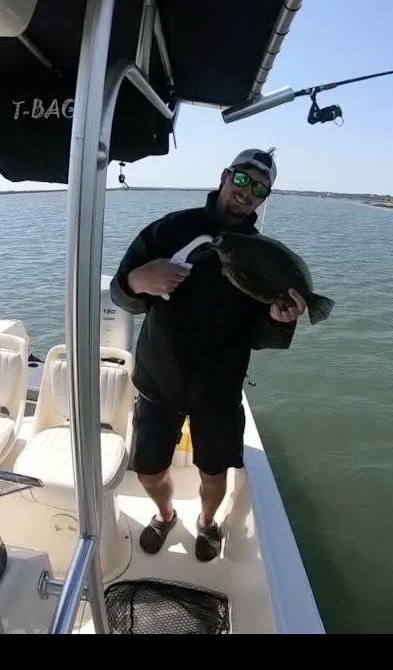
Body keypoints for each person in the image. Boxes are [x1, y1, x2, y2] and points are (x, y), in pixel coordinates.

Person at [110, 148, 308, 562]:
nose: (246, 192)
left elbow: (261, 336)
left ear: (264, 197)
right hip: (158, 380)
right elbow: (120, 294)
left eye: (258, 188)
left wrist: (279, 319)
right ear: (224, 176)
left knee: (214, 474)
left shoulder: (263, 253)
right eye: (241, 180)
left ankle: (206, 522)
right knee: (148, 470)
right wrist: (138, 279)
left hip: (218, 388)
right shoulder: (170, 229)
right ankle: (164, 515)